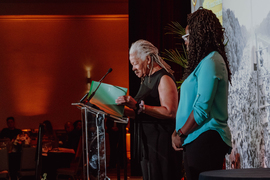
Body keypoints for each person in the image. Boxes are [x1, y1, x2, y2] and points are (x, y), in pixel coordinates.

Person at [171, 7, 232, 180]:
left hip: (206, 139)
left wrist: (180, 133)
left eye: (187, 37)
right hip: (194, 138)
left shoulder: (211, 61)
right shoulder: (205, 62)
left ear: (199, 35)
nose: (186, 42)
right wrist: (178, 132)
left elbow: (201, 110)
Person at [116, 39, 182, 180]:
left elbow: (170, 112)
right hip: (147, 146)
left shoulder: (163, 78)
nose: (133, 68)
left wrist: (139, 106)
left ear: (147, 59)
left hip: (162, 145)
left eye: (134, 63)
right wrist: (115, 110)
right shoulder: (146, 79)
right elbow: (139, 114)